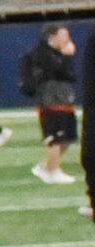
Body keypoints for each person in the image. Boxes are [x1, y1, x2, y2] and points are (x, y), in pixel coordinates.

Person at [27, 22, 77, 183]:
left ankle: (45, 166)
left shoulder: (58, 54)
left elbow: (71, 76)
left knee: (68, 137)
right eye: (64, 36)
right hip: (51, 100)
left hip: (64, 98)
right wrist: (66, 56)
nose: (67, 39)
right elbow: (58, 71)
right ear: (52, 37)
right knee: (55, 138)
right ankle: (53, 171)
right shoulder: (42, 53)